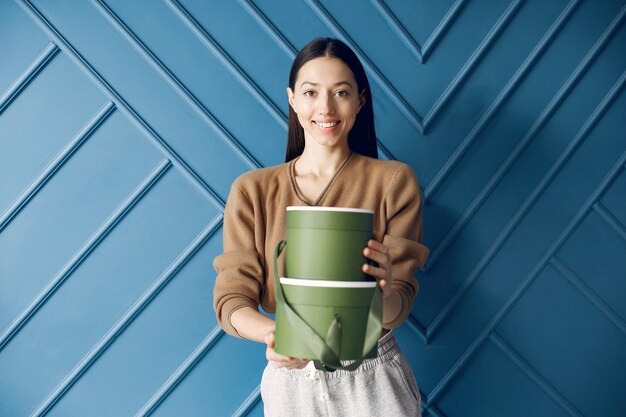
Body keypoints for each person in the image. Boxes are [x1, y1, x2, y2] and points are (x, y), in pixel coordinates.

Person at [213, 37, 429, 416]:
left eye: (341, 92)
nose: (325, 107)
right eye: (311, 92)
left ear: (360, 100)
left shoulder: (394, 182)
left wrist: (382, 293)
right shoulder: (252, 190)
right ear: (292, 98)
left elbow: (399, 303)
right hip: (292, 384)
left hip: (373, 378)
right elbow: (231, 300)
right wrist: (272, 334)